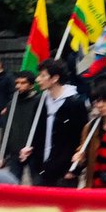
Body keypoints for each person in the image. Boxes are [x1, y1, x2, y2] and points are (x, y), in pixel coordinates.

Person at [20, 59, 89, 187]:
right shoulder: (40, 102)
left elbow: (83, 138)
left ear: (55, 78)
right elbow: (36, 133)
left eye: (42, 76)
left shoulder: (75, 104)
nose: (38, 80)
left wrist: (75, 169)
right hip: (41, 172)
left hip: (65, 174)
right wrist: (29, 152)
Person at [72, 83, 106, 188]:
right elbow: (84, 156)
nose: (100, 105)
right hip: (94, 187)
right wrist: (80, 158)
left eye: (105, 101)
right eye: (98, 101)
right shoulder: (90, 128)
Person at [0, 71, 38, 182]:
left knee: (37, 184)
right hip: (15, 151)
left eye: (23, 83)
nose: (18, 86)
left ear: (31, 85)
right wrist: (2, 154)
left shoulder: (39, 102)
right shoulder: (11, 104)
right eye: (17, 83)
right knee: (13, 183)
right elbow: (6, 129)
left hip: (33, 151)